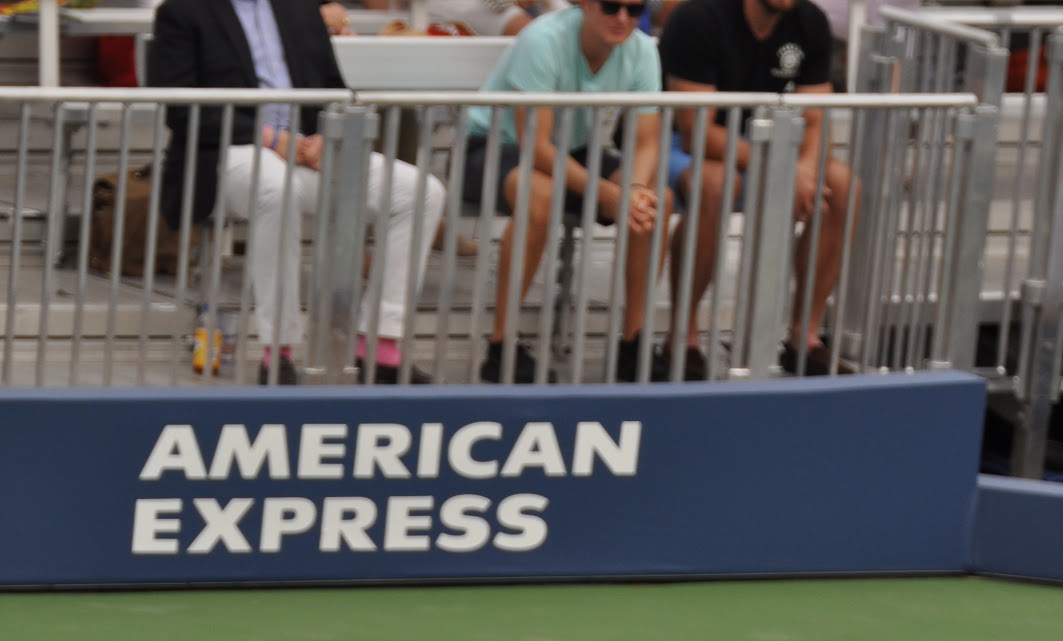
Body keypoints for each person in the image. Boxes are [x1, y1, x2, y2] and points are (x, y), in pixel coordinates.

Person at [149, 0, 446, 384]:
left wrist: (328, 133)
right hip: (228, 152)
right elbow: (184, 109)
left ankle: (380, 345)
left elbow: (333, 88)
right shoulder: (184, 11)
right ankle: (279, 352)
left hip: (308, 150)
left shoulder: (299, 7)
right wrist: (274, 139)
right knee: (276, 186)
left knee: (420, 191)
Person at [461, 0, 674, 383]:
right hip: (492, 144)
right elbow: (536, 146)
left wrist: (635, 191)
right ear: (587, 5)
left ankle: (634, 343)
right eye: (612, 6)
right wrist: (610, 195)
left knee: (657, 199)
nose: (623, 17)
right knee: (539, 194)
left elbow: (646, 143)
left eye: (634, 7)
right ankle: (500, 347)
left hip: (572, 148)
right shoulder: (543, 38)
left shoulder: (642, 49)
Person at [659, 0, 857, 376]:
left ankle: (804, 337)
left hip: (771, 148)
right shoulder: (697, 17)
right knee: (716, 184)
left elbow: (816, 121)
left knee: (842, 185)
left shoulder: (811, 21)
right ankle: (681, 338)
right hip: (689, 146)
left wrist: (802, 169)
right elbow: (696, 131)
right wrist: (780, 167)